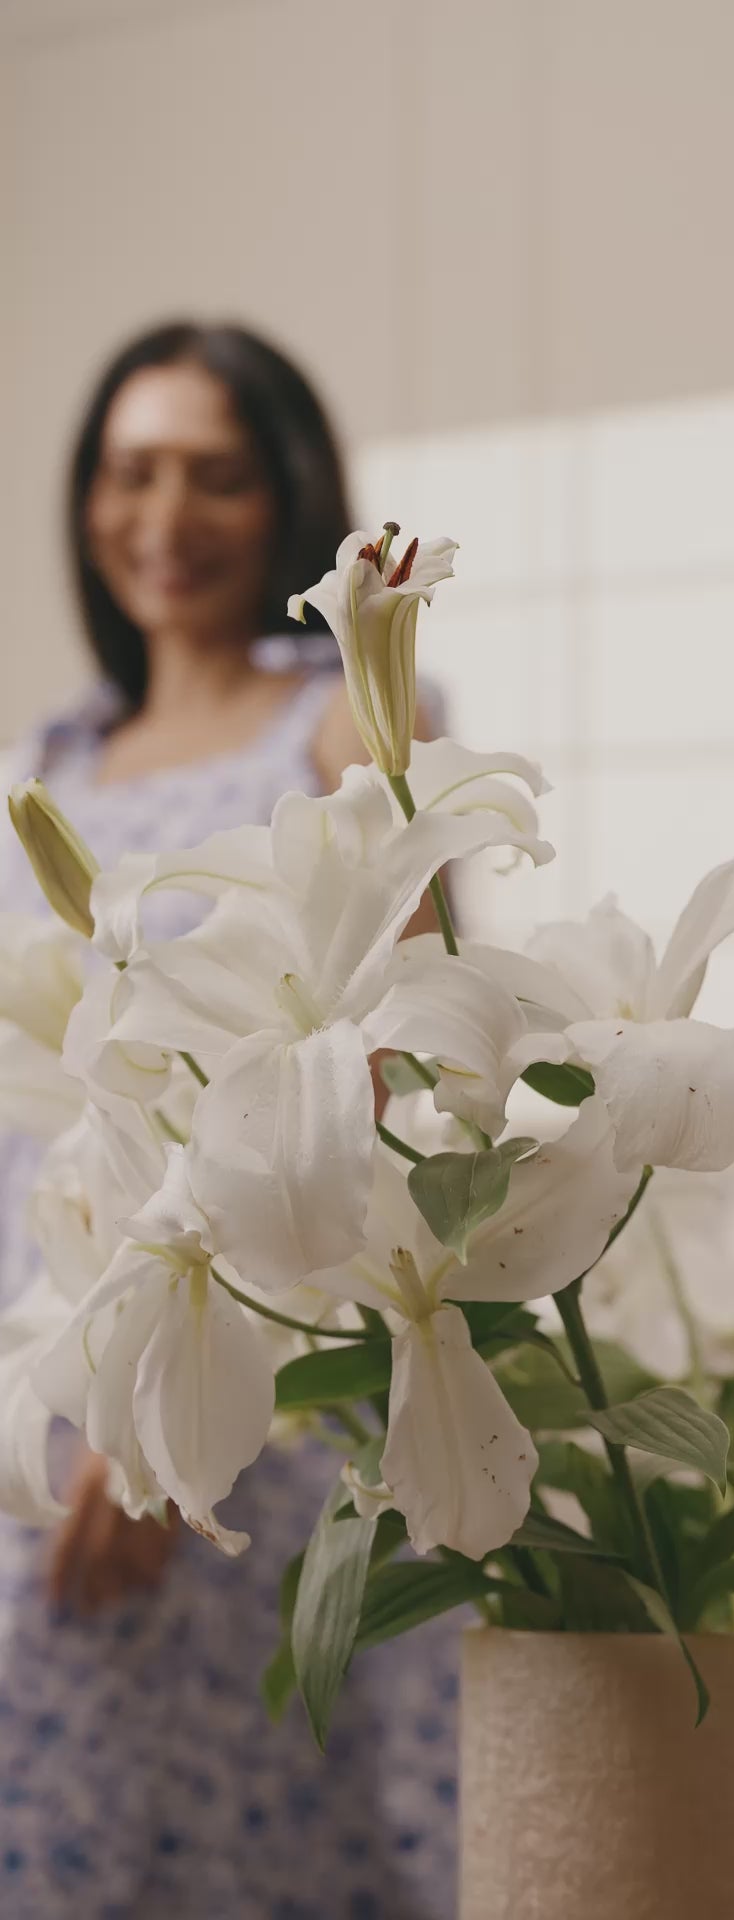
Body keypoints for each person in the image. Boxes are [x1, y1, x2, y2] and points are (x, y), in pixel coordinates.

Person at [0, 322, 458, 1919]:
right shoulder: (41, 764)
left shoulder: (339, 726)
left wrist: (160, 1424)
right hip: (45, 1343)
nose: (164, 517)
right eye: (130, 473)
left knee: (251, 1841)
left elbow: (388, 1089)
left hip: (239, 1372)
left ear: (281, 501)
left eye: (215, 475)